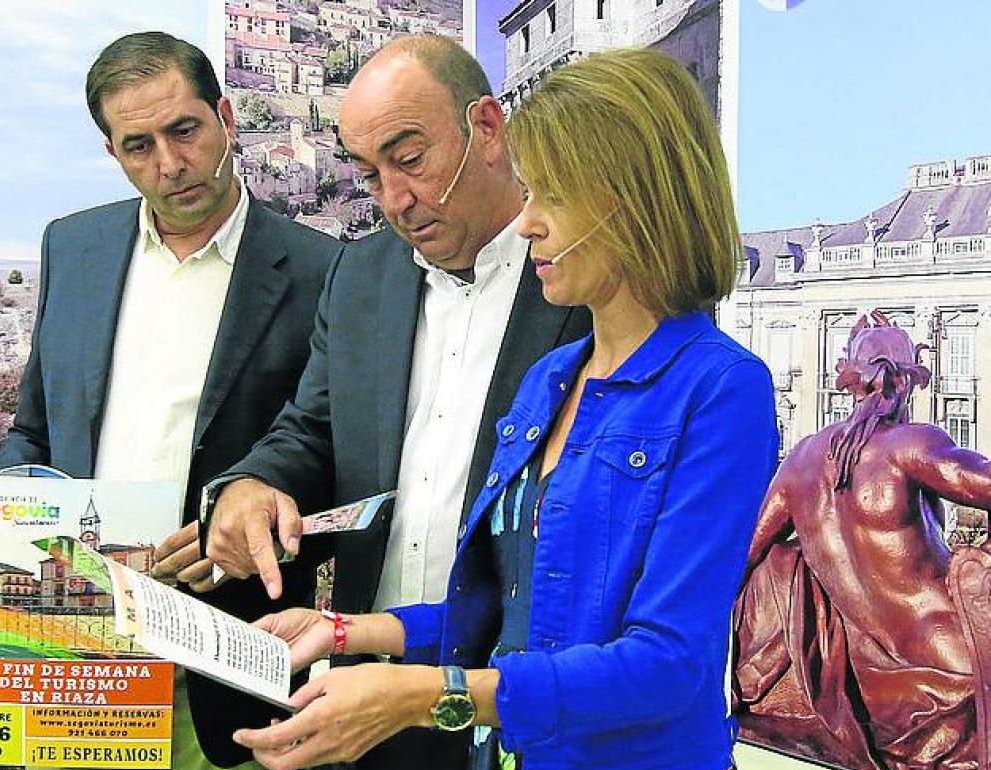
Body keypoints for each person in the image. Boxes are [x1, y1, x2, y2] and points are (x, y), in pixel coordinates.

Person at [230, 48, 780, 770]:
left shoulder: (721, 388)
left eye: (552, 195)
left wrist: (425, 695)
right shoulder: (551, 378)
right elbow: (505, 615)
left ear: (634, 199)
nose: (527, 224)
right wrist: (345, 632)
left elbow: (668, 666)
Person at [0, 32, 339, 770]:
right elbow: (35, 432)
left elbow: (330, 454)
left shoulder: (322, 269)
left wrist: (253, 534)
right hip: (75, 662)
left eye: (185, 130)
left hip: (230, 669)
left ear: (227, 116)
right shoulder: (73, 247)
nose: (170, 164)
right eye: (139, 144)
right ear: (113, 153)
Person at [203, 34, 592, 770]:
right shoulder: (359, 277)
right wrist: (254, 485)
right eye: (368, 175)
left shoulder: (584, 278)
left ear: (485, 128)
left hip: (521, 701)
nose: (395, 200)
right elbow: (313, 431)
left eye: (410, 160)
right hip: (365, 701)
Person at [735, 311, 991, 769]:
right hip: (955, 667)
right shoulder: (910, 444)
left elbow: (743, 555)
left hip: (866, 687)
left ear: (850, 381)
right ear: (908, 381)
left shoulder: (800, 461)